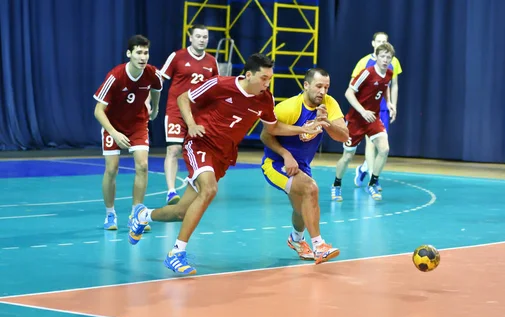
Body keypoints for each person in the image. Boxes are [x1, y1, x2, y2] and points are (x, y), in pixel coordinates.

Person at [127, 53, 326, 275]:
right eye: (263, 78)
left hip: (223, 155)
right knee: (210, 189)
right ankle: (176, 253)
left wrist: (303, 129)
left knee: (182, 212)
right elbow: (183, 98)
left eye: (270, 79)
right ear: (249, 75)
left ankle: (143, 215)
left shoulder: (265, 99)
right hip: (200, 144)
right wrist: (191, 124)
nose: (267, 83)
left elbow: (273, 128)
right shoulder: (220, 85)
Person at [260, 68, 349, 264]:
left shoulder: (329, 104)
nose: (323, 91)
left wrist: (327, 122)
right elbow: (265, 135)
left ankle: (296, 240)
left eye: (326, 87)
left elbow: (344, 136)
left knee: (302, 209)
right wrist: (286, 155)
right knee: (311, 189)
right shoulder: (288, 108)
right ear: (306, 85)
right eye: (318, 86)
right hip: (276, 163)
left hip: (302, 165)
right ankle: (319, 246)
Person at [93, 34, 163, 230]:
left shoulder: (152, 73)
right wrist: (114, 133)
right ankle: (110, 214)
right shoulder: (115, 76)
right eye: (138, 53)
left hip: (138, 124)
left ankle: (137, 214)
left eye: (146, 53)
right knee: (112, 169)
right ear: (129, 54)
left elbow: (157, 89)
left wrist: (155, 108)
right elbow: (98, 111)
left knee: (142, 166)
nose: (143, 57)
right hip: (113, 125)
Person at [160, 24, 219, 205]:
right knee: (174, 149)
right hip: (176, 111)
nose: (202, 40)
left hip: (199, 115)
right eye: (199, 36)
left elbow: (216, 88)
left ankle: (194, 185)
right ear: (191, 38)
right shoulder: (177, 57)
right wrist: (148, 101)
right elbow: (159, 79)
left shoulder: (211, 62)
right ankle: (171, 192)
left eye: (205, 37)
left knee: (198, 152)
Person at [332, 43, 397, 201]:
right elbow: (348, 93)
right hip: (356, 120)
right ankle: (336, 185)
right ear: (376, 56)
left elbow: (384, 87)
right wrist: (362, 111)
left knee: (384, 149)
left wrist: (388, 103)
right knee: (348, 156)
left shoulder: (389, 73)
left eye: (388, 57)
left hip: (373, 119)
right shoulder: (367, 73)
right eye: (382, 56)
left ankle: (372, 183)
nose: (385, 60)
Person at [352, 32, 402, 191]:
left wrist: (392, 104)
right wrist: (360, 108)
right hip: (368, 108)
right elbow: (353, 87)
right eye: (379, 41)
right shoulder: (364, 62)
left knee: (382, 144)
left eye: (384, 41)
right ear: (373, 43)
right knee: (370, 142)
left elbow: (393, 85)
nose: (381, 43)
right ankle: (373, 179)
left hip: (383, 107)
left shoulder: (393, 62)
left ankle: (365, 169)